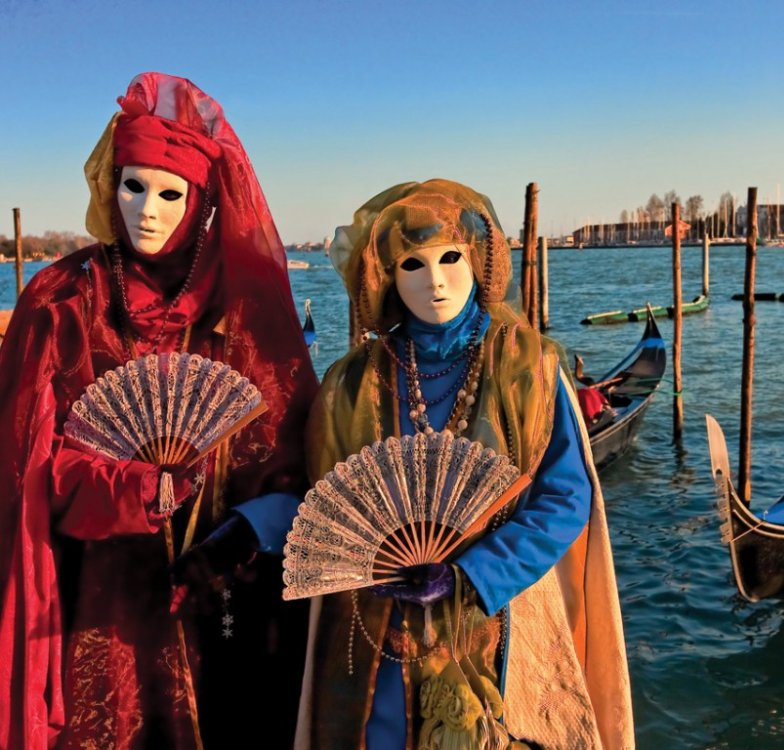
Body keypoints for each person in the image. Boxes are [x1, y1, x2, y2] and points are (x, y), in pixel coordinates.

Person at [0, 73, 318, 749]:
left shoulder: (243, 312)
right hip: (99, 596)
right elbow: (26, 469)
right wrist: (135, 489)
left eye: (171, 193)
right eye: (132, 185)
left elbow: (294, 460)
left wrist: (242, 529)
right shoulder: (64, 302)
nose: (147, 209)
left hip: (222, 591)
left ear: (202, 202)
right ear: (108, 186)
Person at [294, 179, 634, 748]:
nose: (436, 281)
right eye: (412, 264)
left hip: (499, 620)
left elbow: (566, 496)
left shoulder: (529, 367)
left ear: (479, 258)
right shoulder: (351, 383)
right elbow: (327, 507)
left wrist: (473, 576)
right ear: (385, 278)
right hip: (377, 642)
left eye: (451, 257)